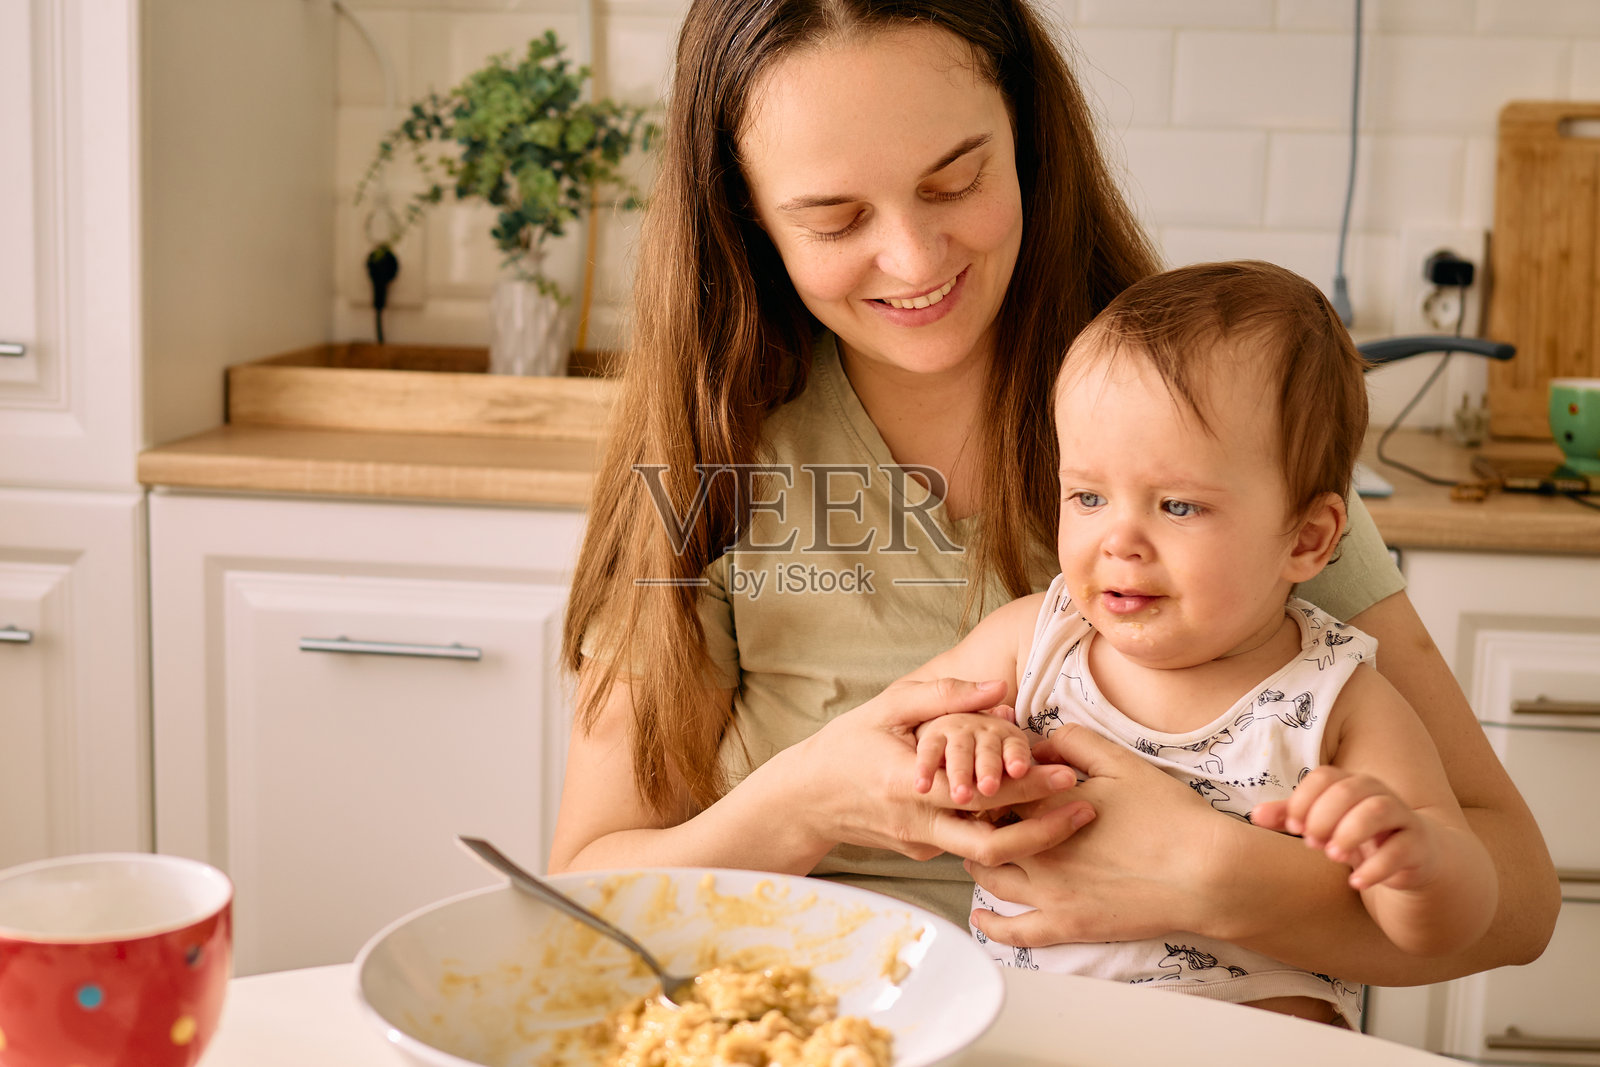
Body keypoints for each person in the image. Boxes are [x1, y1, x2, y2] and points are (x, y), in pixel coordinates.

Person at [550, 0, 1557, 993]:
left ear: (1028, 142)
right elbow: (581, 898)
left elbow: (1512, 902)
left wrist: (1216, 878)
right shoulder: (712, 455)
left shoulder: (1213, 421)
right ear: (747, 221)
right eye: (834, 218)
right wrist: (806, 801)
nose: (912, 257)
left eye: (956, 180)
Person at [907, 260, 1497, 1026]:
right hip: (1028, 1030)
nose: (1118, 538)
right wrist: (959, 739)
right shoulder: (1032, 641)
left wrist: (1415, 860)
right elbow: (904, 736)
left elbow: (1451, 926)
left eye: (1178, 505)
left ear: (1309, 539)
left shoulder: (1341, 701)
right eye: (1087, 495)